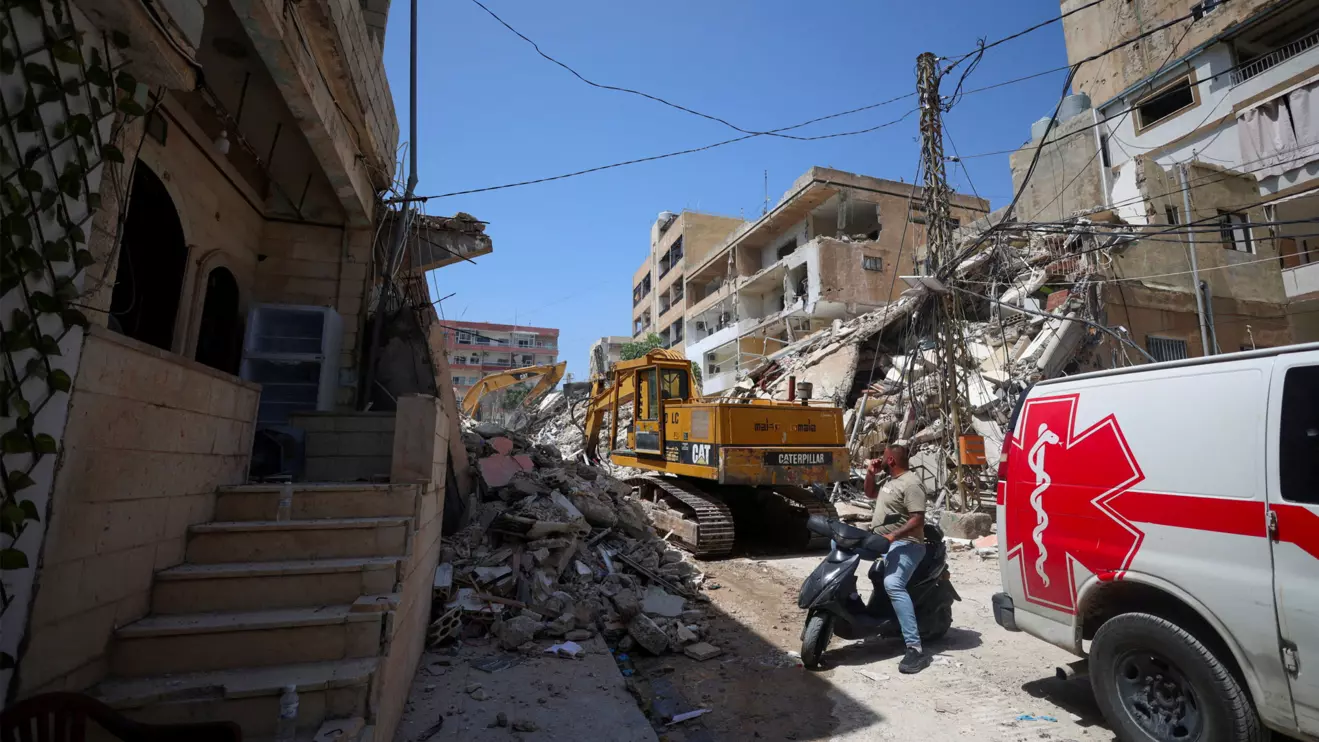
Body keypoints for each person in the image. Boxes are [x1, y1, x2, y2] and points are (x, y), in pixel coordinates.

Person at [865, 443, 931, 674]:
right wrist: (870, 474)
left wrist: (894, 535)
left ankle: (915, 649)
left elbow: (917, 519)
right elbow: (870, 494)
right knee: (841, 548)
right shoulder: (889, 481)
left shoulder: (911, 483)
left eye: (883, 457)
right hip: (881, 542)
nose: (880, 460)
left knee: (893, 584)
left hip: (907, 544)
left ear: (891, 460)